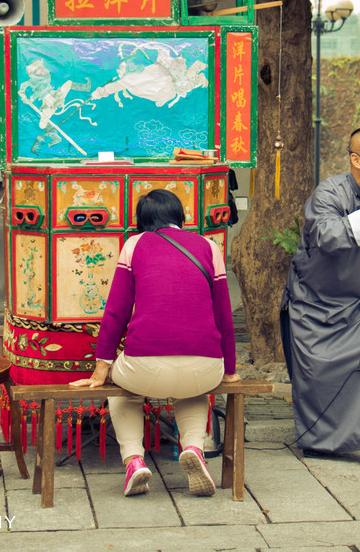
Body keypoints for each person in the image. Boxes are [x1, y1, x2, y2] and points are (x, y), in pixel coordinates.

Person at [71, 189, 241, 497]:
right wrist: (229, 371)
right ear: (181, 217)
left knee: (124, 393)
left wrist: (100, 373)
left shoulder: (134, 245)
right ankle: (193, 448)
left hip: (144, 366)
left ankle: (135, 461)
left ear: (141, 221)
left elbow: (116, 313)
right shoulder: (208, 246)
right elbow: (224, 317)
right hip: (205, 365)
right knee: (193, 390)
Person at [280, 126, 360, 478]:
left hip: (359, 298)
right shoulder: (328, 194)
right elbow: (327, 236)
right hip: (313, 299)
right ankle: (321, 440)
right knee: (315, 371)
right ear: (357, 160)